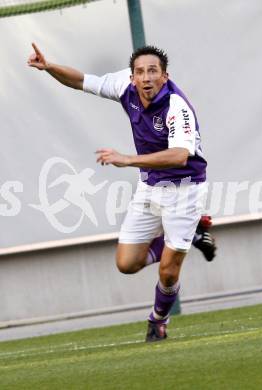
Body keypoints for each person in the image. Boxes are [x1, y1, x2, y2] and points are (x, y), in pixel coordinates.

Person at [28, 43, 216, 341]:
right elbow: (80, 81)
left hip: (185, 189)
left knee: (168, 271)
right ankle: (191, 235)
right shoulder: (123, 86)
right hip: (150, 186)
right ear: (132, 77)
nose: (146, 78)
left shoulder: (176, 106)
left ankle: (158, 320)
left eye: (153, 71)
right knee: (126, 264)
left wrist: (128, 159)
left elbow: (179, 155)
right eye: (140, 72)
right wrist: (49, 66)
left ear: (164, 76)